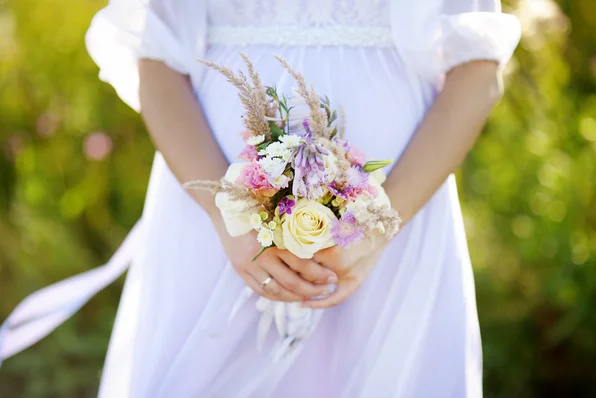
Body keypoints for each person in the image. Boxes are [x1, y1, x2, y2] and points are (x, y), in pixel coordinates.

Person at [0, 0, 521, 396]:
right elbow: (156, 59)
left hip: (399, 209)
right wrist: (228, 216)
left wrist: (379, 225)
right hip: (212, 208)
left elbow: (478, 72)